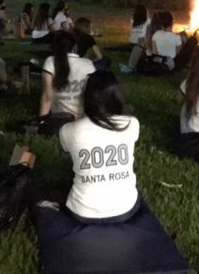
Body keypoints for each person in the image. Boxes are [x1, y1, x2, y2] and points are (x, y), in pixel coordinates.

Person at [58, 70, 140, 223]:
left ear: (86, 97)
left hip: (82, 211)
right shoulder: (132, 124)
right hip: (125, 208)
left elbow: (67, 157)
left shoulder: (68, 130)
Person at [40, 31, 96, 118]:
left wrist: (41, 121)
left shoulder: (50, 61)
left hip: (58, 118)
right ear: (74, 46)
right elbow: (92, 97)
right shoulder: (88, 64)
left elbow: (48, 96)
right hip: (82, 119)